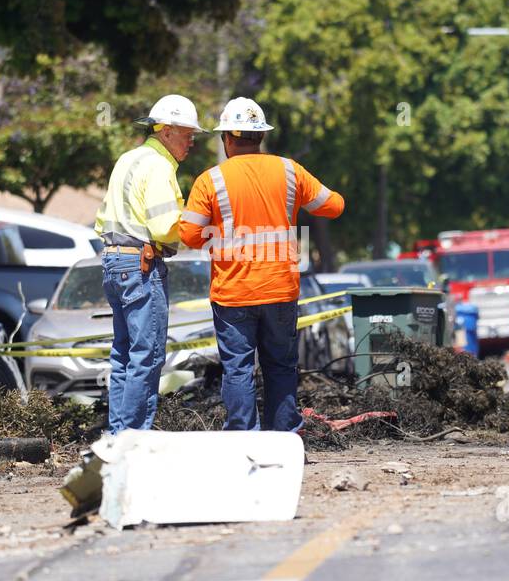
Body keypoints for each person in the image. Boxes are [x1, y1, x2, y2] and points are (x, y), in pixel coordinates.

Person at [179, 97, 344, 431]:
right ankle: (284, 437)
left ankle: (244, 438)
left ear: (227, 138)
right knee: (280, 366)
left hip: (234, 294)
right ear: (262, 136)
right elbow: (334, 206)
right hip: (280, 289)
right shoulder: (290, 171)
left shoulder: (210, 180)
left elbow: (189, 235)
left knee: (238, 369)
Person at [93, 94, 203, 432]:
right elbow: (164, 227)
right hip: (140, 266)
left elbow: (101, 221)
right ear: (166, 131)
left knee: (124, 355)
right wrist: (199, 226)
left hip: (114, 262)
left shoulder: (128, 159)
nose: (191, 142)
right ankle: (132, 438)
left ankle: (117, 436)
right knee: (147, 355)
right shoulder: (159, 166)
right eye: (187, 135)